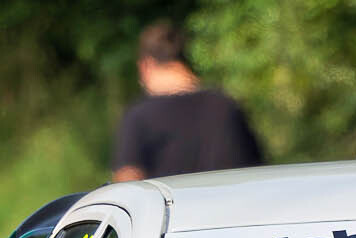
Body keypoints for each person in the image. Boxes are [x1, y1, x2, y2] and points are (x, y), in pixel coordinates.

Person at [111, 22, 264, 181]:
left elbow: (128, 181)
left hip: (175, 198)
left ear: (146, 65)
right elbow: (258, 170)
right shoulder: (225, 105)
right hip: (232, 196)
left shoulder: (139, 116)